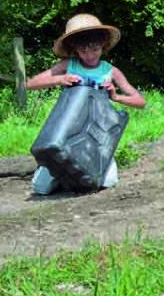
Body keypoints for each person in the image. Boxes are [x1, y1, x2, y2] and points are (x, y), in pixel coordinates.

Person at [26, 13, 146, 194]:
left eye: (95, 49)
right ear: (75, 49)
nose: (89, 55)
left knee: (109, 182)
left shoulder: (110, 71)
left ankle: (70, 178)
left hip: (96, 140)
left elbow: (140, 101)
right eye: (83, 50)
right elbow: (30, 83)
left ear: (103, 45)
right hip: (66, 135)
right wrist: (60, 79)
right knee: (40, 188)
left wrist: (116, 96)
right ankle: (61, 177)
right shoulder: (68, 65)